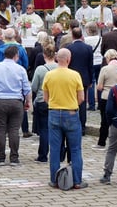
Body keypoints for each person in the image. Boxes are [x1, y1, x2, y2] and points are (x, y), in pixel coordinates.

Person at [43, 48, 87, 190]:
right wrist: (72, 104)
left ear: (57, 59)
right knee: (75, 149)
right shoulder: (75, 75)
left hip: (54, 113)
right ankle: (77, 181)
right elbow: (81, 98)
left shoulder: (49, 75)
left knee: (55, 149)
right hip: (71, 113)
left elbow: (45, 97)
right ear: (69, 59)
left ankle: (54, 180)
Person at [0, 45, 31, 166]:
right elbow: (26, 88)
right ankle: (14, 158)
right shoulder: (20, 69)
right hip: (16, 101)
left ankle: (0, 158)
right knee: (14, 130)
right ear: (16, 56)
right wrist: (28, 102)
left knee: (0, 130)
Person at [31, 45, 57, 163]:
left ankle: (43, 155)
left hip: (42, 101)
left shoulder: (40, 69)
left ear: (44, 55)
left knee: (44, 129)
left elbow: (34, 86)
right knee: (57, 130)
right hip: (56, 101)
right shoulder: (59, 68)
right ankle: (59, 154)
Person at [66, 27, 94, 133]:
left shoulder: (69, 48)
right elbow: (90, 66)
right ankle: (82, 126)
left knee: (71, 100)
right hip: (84, 78)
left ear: (72, 36)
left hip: (71, 78)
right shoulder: (88, 48)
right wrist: (91, 80)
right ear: (81, 35)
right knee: (82, 102)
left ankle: (72, 124)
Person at [95, 50, 117, 149]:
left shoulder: (105, 69)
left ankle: (101, 143)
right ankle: (115, 144)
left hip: (106, 96)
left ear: (108, 58)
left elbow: (99, 87)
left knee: (104, 121)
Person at [84, 22, 103, 111]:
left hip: (91, 62)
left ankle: (91, 105)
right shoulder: (101, 38)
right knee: (100, 82)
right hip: (100, 61)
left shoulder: (86, 40)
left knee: (91, 83)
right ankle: (100, 103)